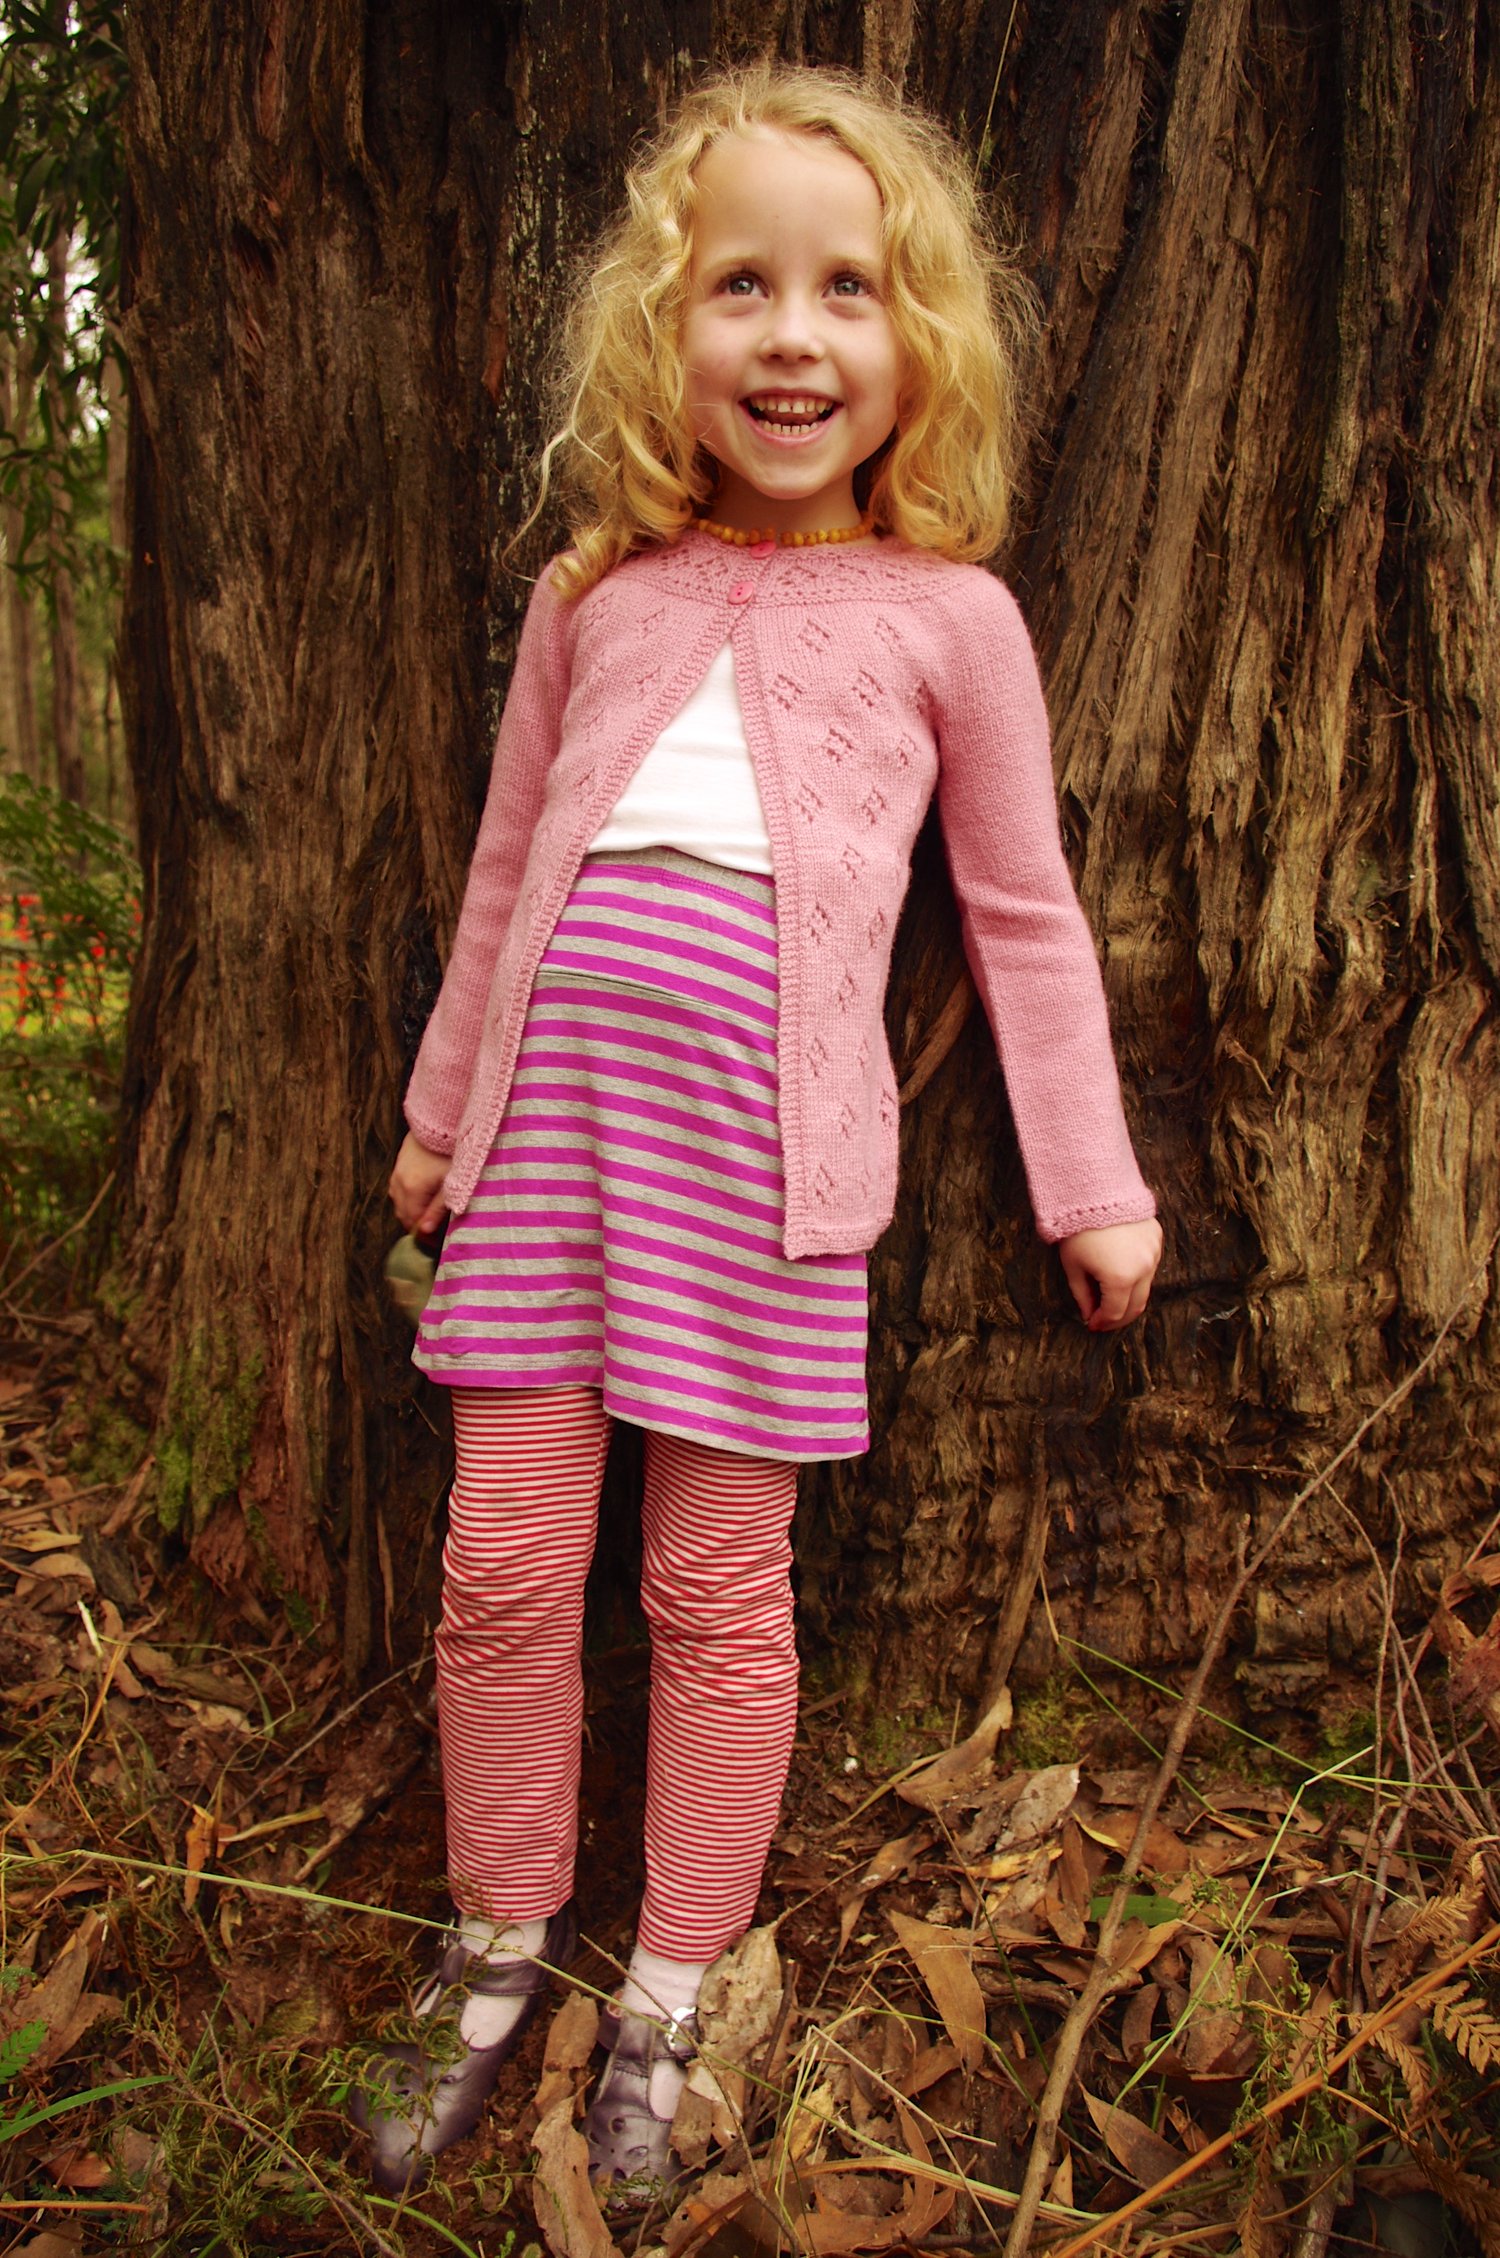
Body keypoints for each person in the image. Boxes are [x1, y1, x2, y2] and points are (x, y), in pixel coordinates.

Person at [358, 60, 1162, 2207]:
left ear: (919, 345)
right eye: (742, 286)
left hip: (759, 1189)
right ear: (667, 325)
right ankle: (495, 1942)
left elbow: (1020, 912)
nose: (793, 337)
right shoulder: (594, 596)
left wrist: (1091, 1182)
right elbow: (504, 874)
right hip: (543, 1162)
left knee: (715, 1584)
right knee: (503, 1560)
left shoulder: (950, 619)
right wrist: (439, 1120)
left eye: (849, 290)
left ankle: (675, 1981)